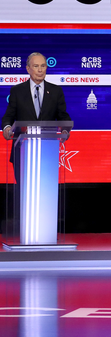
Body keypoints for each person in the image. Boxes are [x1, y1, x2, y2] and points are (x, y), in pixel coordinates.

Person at [2, 52, 71, 230]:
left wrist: (64, 129)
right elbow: (8, 117)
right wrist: (7, 129)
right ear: (28, 69)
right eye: (36, 66)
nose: (40, 70)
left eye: (43, 66)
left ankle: (45, 230)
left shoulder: (56, 91)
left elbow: (63, 116)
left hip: (46, 151)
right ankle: (26, 229)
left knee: (45, 192)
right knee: (25, 192)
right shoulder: (17, 91)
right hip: (22, 151)